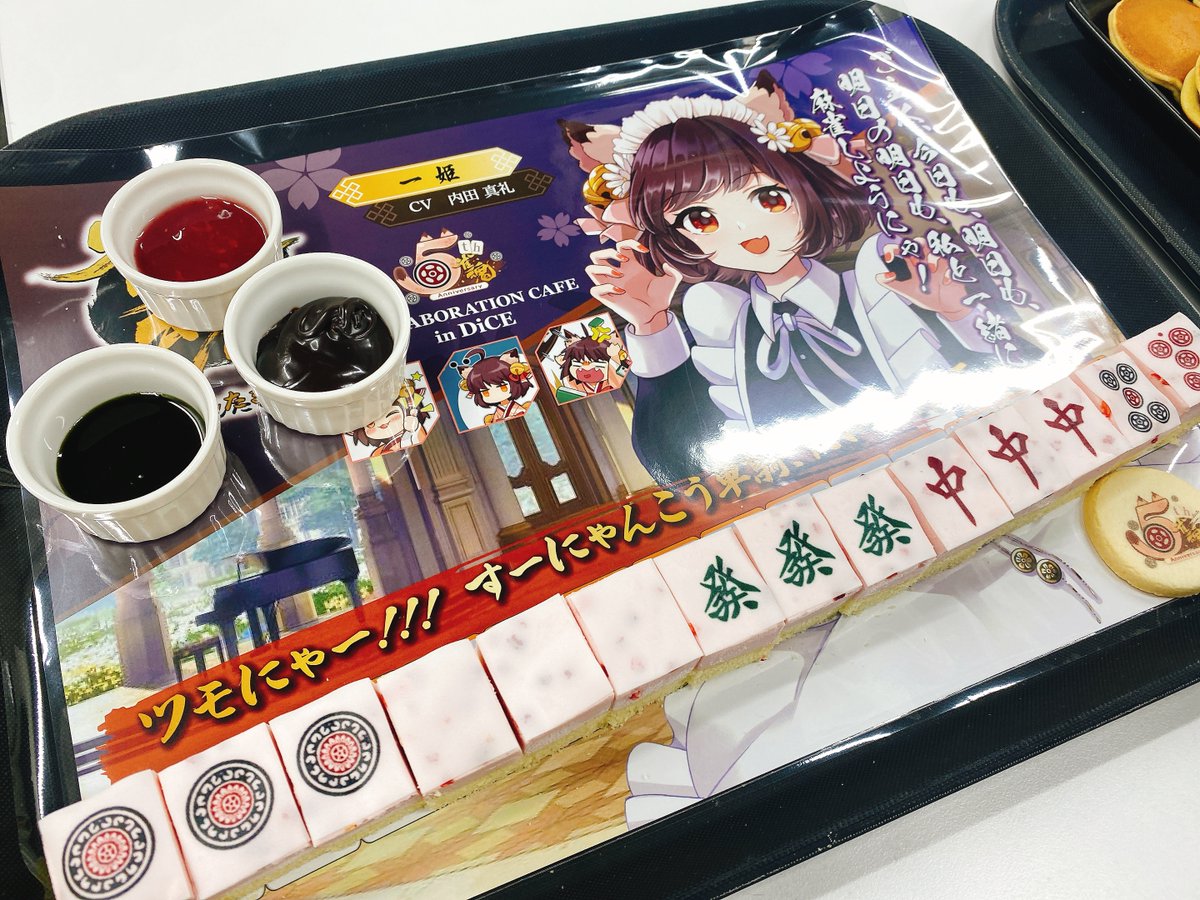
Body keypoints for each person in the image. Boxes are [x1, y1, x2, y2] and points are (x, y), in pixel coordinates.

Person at [561, 71, 1001, 484]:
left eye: (768, 197)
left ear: (805, 188)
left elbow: (1001, 390)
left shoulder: (887, 283)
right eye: (700, 218)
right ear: (674, 233)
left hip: (950, 477)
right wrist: (651, 325)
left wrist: (956, 313)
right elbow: (678, 466)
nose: (744, 230)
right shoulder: (722, 330)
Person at [460, 349, 535, 425]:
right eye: (485, 392)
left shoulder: (523, 408)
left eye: (503, 387)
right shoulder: (497, 414)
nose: (494, 394)